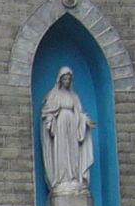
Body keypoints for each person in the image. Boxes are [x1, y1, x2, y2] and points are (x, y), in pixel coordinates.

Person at [40, 66, 97, 198]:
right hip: (60, 126)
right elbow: (47, 112)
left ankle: (74, 178)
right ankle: (62, 179)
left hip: (72, 125)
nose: (67, 81)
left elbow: (80, 112)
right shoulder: (54, 95)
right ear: (60, 80)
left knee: (73, 152)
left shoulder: (74, 96)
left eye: (69, 79)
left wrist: (86, 121)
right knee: (62, 152)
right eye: (65, 78)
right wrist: (50, 121)